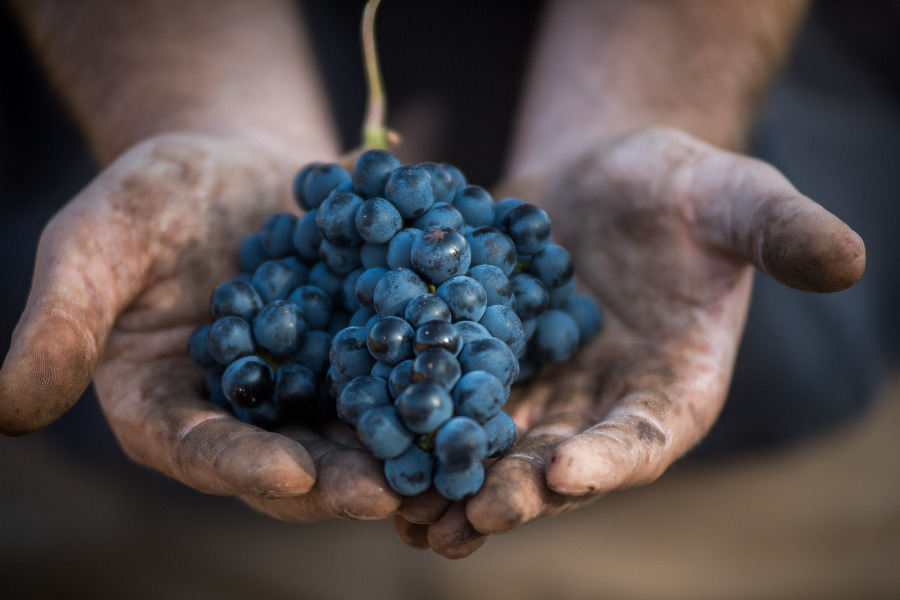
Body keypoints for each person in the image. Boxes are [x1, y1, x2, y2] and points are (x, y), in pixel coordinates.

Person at [0, 0, 870, 561]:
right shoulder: (392, 260)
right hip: (152, 532)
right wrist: (186, 110)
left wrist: (654, 106)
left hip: (735, 491)